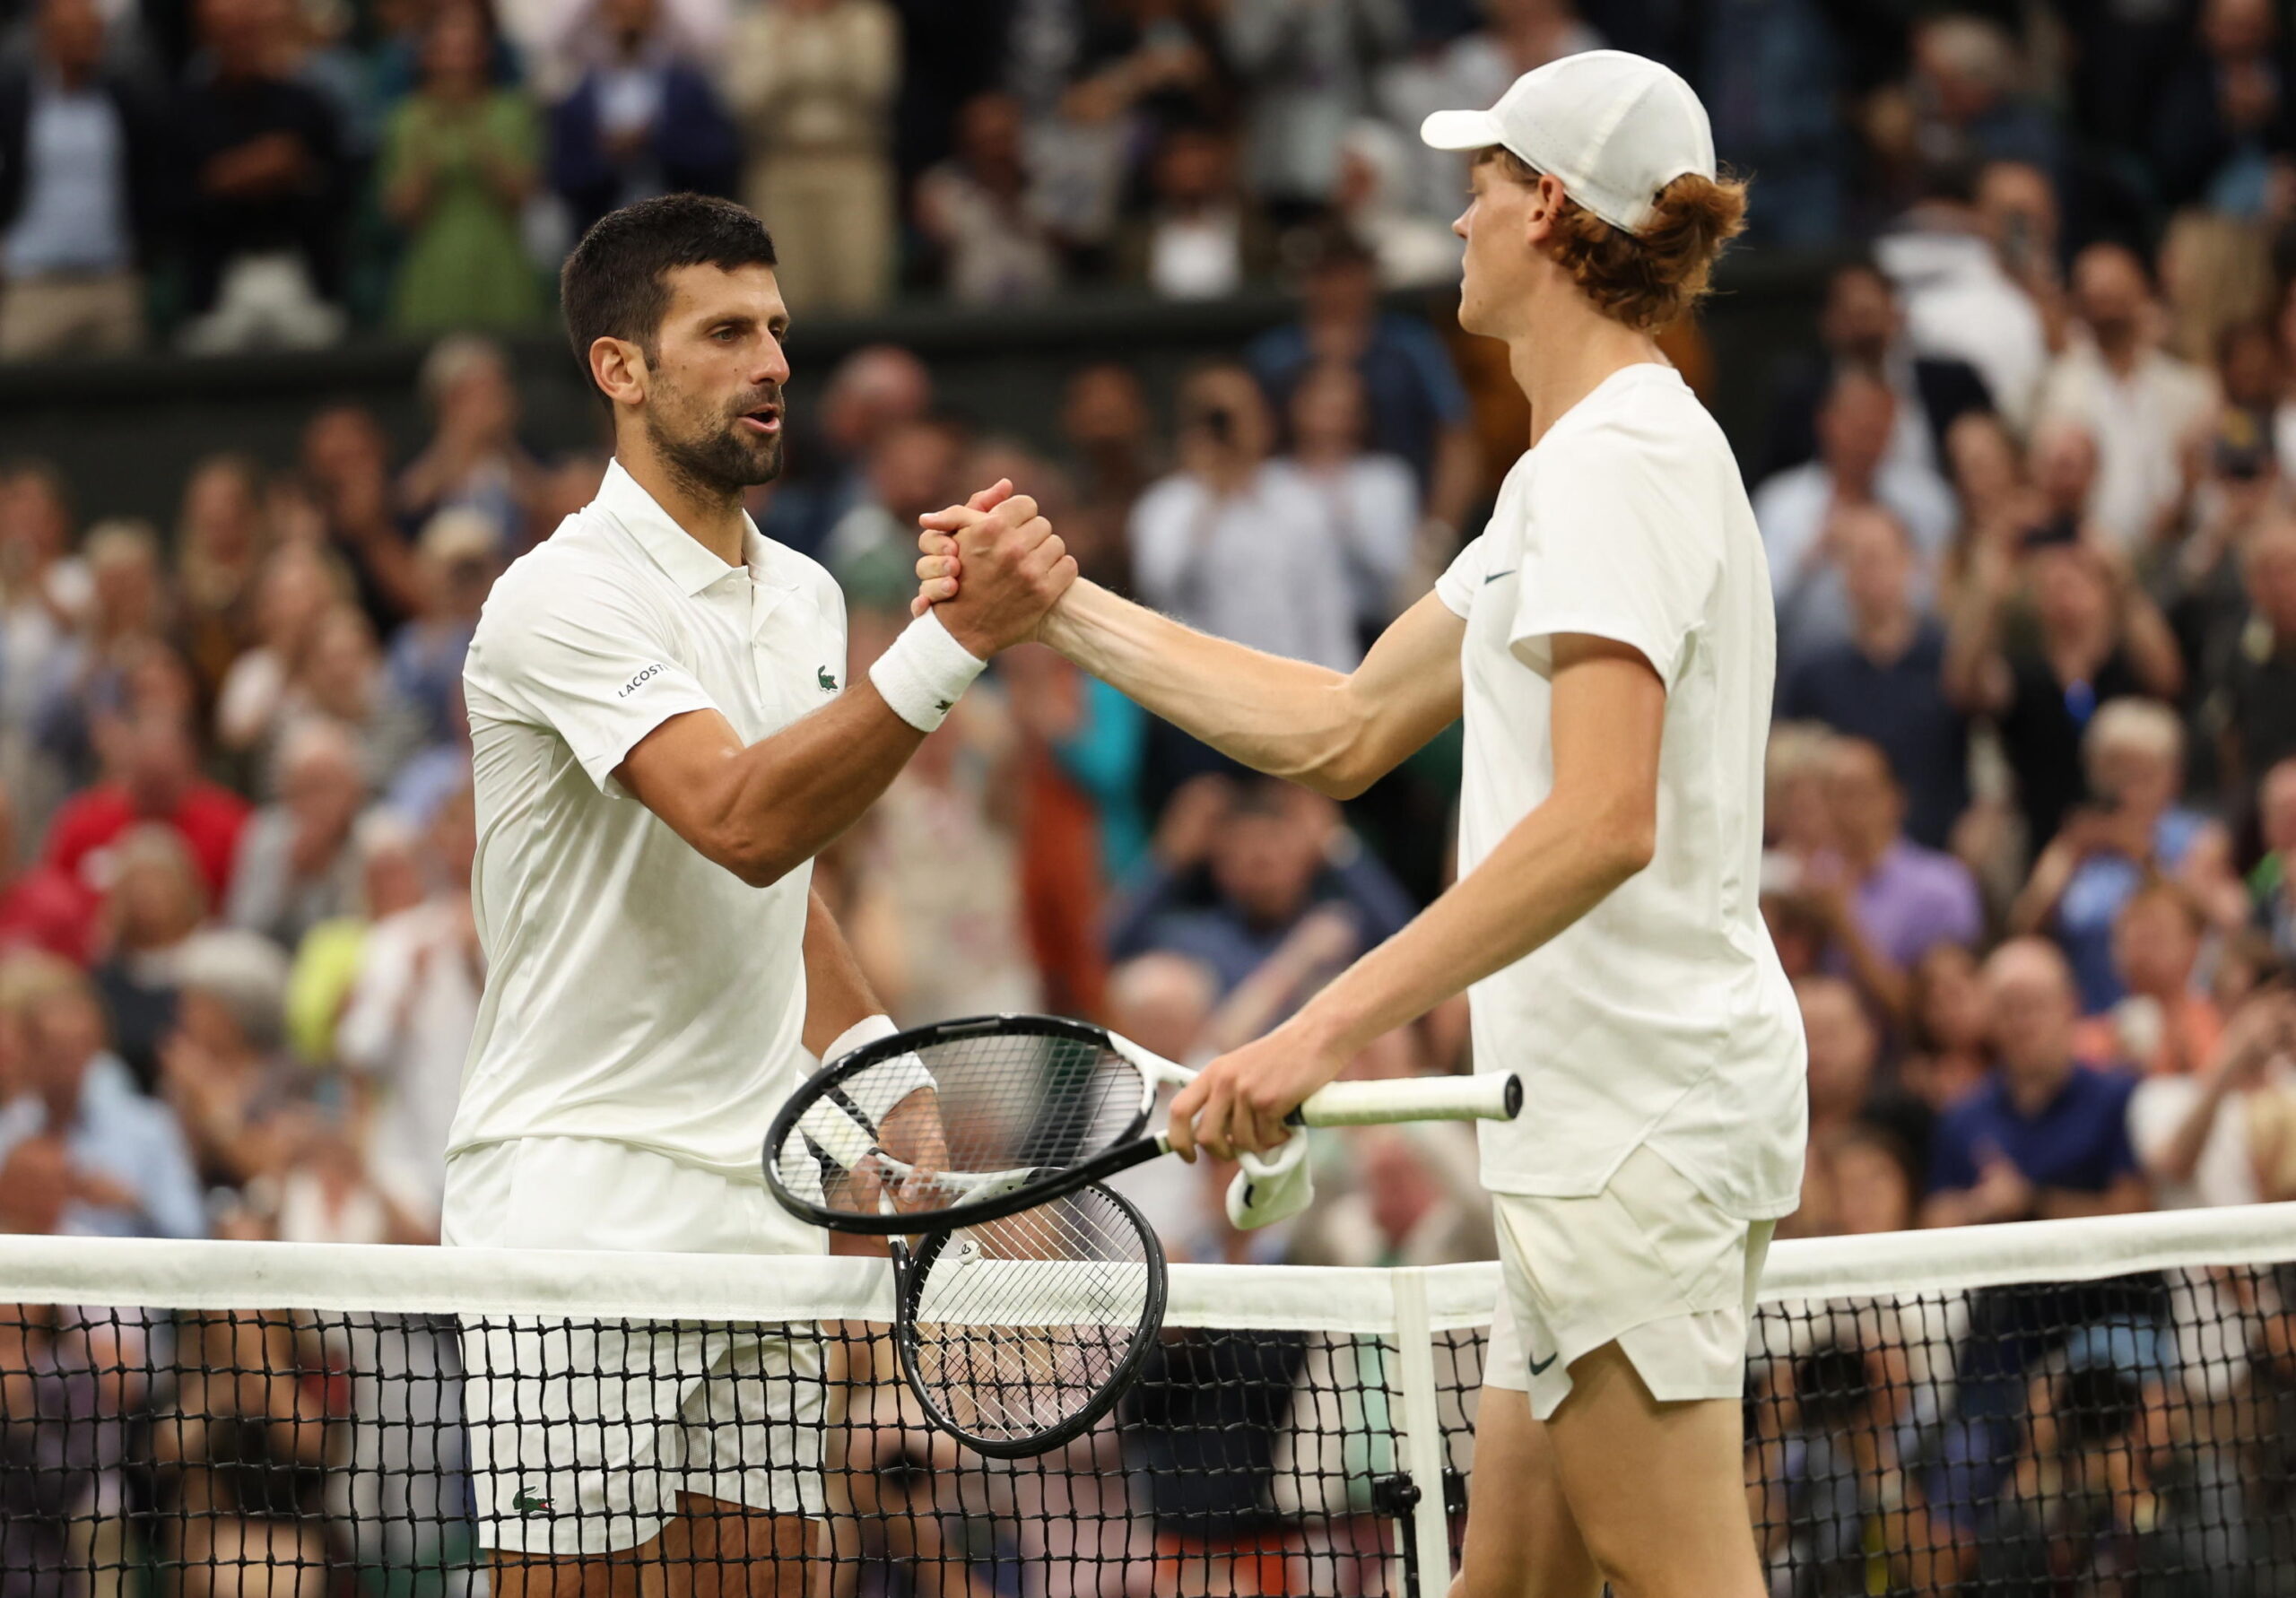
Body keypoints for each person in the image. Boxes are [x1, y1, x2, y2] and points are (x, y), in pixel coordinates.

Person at [922, 50, 1800, 1598]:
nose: (1453, 218)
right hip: (1598, 1122)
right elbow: (1336, 727)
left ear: (1547, 209)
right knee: (1510, 1580)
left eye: (1477, 185)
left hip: (1634, 1120)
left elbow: (1604, 820)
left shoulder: (1618, 466)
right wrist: (1054, 610)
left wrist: (1317, 1027)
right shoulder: (1569, 478)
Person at [447, 193, 1070, 1593]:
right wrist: (951, 642)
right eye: (725, 332)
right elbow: (736, 816)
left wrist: (882, 1080)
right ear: (623, 368)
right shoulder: (557, 597)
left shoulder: (795, 596)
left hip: (762, 1197)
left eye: (778, 330)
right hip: (578, 1201)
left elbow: (779, 880)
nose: (773, 361)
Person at [0, 0, 162, 359]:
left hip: (112, 284)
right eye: (73, 32)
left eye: (94, 32)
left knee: (128, 404)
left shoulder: (125, 102)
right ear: (46, 37)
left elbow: (149, 181)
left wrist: (142, 256)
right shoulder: (13, 102)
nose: (87, 41)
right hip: (33, 285)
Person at [378, 3, 545, 334]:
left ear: (484, 53)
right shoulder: (407, 119)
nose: (457, 63)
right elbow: (399, 210)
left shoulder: (512, 112)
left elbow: (523, 196)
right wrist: (428, 153)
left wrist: (475, 133)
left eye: (466, 50)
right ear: (428, 56)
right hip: (433, 267)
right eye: (446, 51)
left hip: (499, 264)